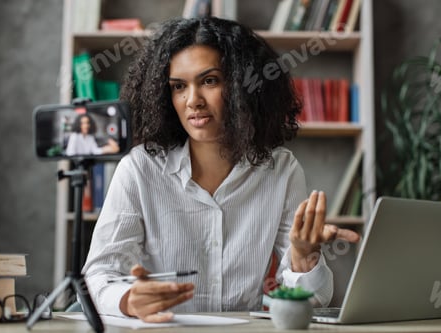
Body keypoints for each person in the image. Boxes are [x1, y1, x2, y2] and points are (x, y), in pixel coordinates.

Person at [82, 16, 360, 323]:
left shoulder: (281, 170)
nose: (193, 101)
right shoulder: (139, 169)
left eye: (209, 81)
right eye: (178, 86)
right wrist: (127, 300)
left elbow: (316, 301)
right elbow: (97, 277)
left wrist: (304, 256)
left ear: (243, 86)